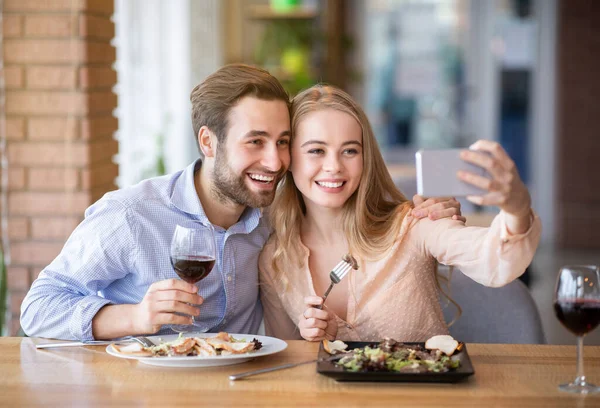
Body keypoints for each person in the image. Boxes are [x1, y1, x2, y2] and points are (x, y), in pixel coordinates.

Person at [20, 64, 462, 341]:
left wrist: (423, 212)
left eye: (283, 142)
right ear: (208, 142)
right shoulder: (132, 216)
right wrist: (134, 316)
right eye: (255, 142)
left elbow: (351, 203)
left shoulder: (278, 213)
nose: (275, 161)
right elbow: (38, 308)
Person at [259, 84, 541, 342]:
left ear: (365, 158)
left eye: (350, 151)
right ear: (289, 158)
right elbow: (286, 364)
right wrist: (313, 341)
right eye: (317, 150)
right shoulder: (276, 259)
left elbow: (497, 262)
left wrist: (516, 205)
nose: (334, 166)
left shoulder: (413, 225)